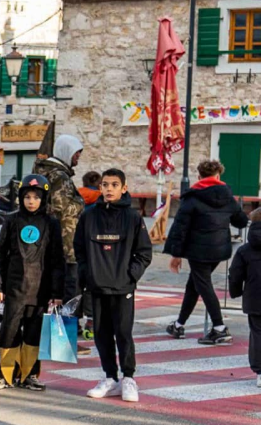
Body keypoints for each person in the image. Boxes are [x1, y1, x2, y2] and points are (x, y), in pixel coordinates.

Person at [78, 169, 153, 402]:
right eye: (105, 184)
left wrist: (130, 276)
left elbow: (144, 253)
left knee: (123, 332)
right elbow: (79, 250)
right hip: (97, 286)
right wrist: (87, 275)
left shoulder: (133, 218)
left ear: (124, 188)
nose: (109, 189)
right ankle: (110, 377)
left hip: (123, 287)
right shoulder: (88, 216)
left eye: (114, 184)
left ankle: (128, 378)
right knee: (101, 334)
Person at [0, 174, 65, 391]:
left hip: (40, 289)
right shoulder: (12, 221)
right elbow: (1, 256)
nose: (31, 201)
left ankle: (29, 375)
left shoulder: (51, 223)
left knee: (34, 333)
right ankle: (5, 374)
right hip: (15, 288)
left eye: (36, 197)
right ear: (21, 198)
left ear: (43, 199)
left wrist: (57, 291)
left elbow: (57, 260)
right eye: (27, 197)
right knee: (9, 331)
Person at [164, 160, 247, 345]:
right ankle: (179, 324)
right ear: (218, 176)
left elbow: (180, 227)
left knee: (204, 286)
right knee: (194, 284)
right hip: (220, 249)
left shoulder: (192, 197)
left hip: (197, 250)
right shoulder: (227, 196)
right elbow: (241, 221)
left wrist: (176, 254)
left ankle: (219, 328)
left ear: (199, 176)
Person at [33, 134, 85, 304]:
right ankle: (68, 319)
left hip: (48, 236)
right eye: (76, 152)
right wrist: (80, 203)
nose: (78, 156)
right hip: (66, 239)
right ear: (66, 152)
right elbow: (60, 207)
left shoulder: (43, 172)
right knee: (70, 287)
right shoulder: (60, 177)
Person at [228, 209, 261, 389]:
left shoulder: (244, 250)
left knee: (257, 334)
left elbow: (235, 274)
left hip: (255, 299)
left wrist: (236, 292)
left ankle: (260, 372)